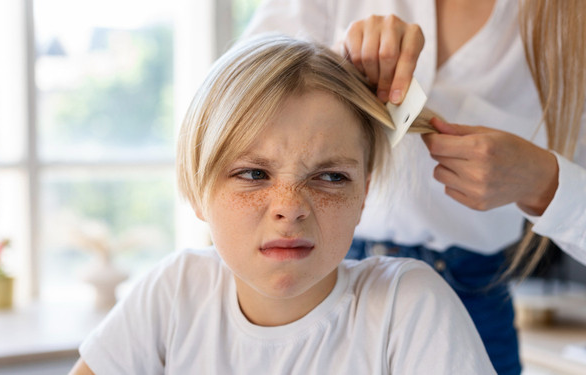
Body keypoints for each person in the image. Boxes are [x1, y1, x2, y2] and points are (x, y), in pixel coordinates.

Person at [68, 35, 496, 374]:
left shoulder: (409, 307)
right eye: (254, 174)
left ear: (363, 194)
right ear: (198, 190)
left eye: (330, 177)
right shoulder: (173, 293)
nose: (290, 208)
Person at [242, 1, 586, 374]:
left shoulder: (570, 20)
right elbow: (231, 104)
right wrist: (330, 67)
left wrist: (544, 181)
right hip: (319, 276)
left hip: (473, 294)